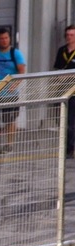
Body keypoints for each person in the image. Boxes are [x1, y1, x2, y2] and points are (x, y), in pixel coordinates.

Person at [53, 24, 75, 158]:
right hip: (63, 90)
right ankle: (67, 146)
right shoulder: (61, 50)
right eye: (67, 35)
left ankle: (70, 148)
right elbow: (57, 68)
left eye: (72, 35)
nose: (69, 37)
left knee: (72, 121)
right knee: (64, 120)